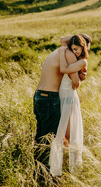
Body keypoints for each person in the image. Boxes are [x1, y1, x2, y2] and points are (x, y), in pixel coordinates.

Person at [33, 34, 91, 173]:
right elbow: (75, 83)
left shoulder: (61, 49)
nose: (76, 50)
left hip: (39, 96)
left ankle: (38, 171)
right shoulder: (69, 53)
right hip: (49, 98)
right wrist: (78, 76)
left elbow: (63, 39)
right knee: (50, 139)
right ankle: (46, 174)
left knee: (41, 137)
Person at [49, 34, 89, 176]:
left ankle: (72, 166)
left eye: (77, 49)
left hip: (70, 95)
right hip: (63, 94)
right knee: (62, 129)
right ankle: (56, 166)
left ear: (83, 48)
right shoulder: (73, 58)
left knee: (70, 129)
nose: (75, 52)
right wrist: (77, 36)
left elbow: (65, 71)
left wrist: (63, 56)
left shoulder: (82, 61)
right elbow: (62, 39)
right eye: (72, 49)